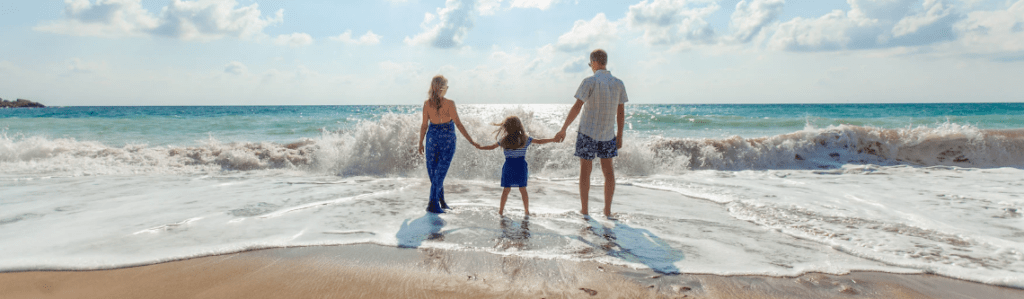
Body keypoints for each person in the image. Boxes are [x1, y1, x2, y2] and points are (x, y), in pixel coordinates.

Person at [553, 49, 628, 217]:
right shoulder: (618, 83)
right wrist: (620, 135)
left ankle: (585, 211)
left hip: (587, 132)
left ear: (594, 62)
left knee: (585, 173)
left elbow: (577, 106)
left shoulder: (589, 81)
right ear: (605, 62)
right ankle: (607, 211)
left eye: (590, 64)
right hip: (608, 134)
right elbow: (621, 112)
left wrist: (563, 128)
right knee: (608, 173)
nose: (590, 67)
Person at [418, 75, 479, 213]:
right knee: (438, 173)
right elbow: (458, 123)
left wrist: (421, 142)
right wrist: (471, 140)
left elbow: (424, 126)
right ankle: (432, 204)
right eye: (447, 86)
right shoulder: (450, 103)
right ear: (443, 88)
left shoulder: (427, 104)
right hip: (447, 138)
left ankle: (441, 201)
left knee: (435, 173)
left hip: (432, 138)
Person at [474, 116, 557, 216]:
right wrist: (553, 139)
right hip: (521, 166)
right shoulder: (524, 139)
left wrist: (480, 147)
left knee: (506, 190)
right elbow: (540, 141)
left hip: (509, 166)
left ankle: (500, 211)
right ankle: (526, 211)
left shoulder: (504, 140)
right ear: (519, 126)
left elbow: (491, 147)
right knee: (523, 189)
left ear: (506, 128)